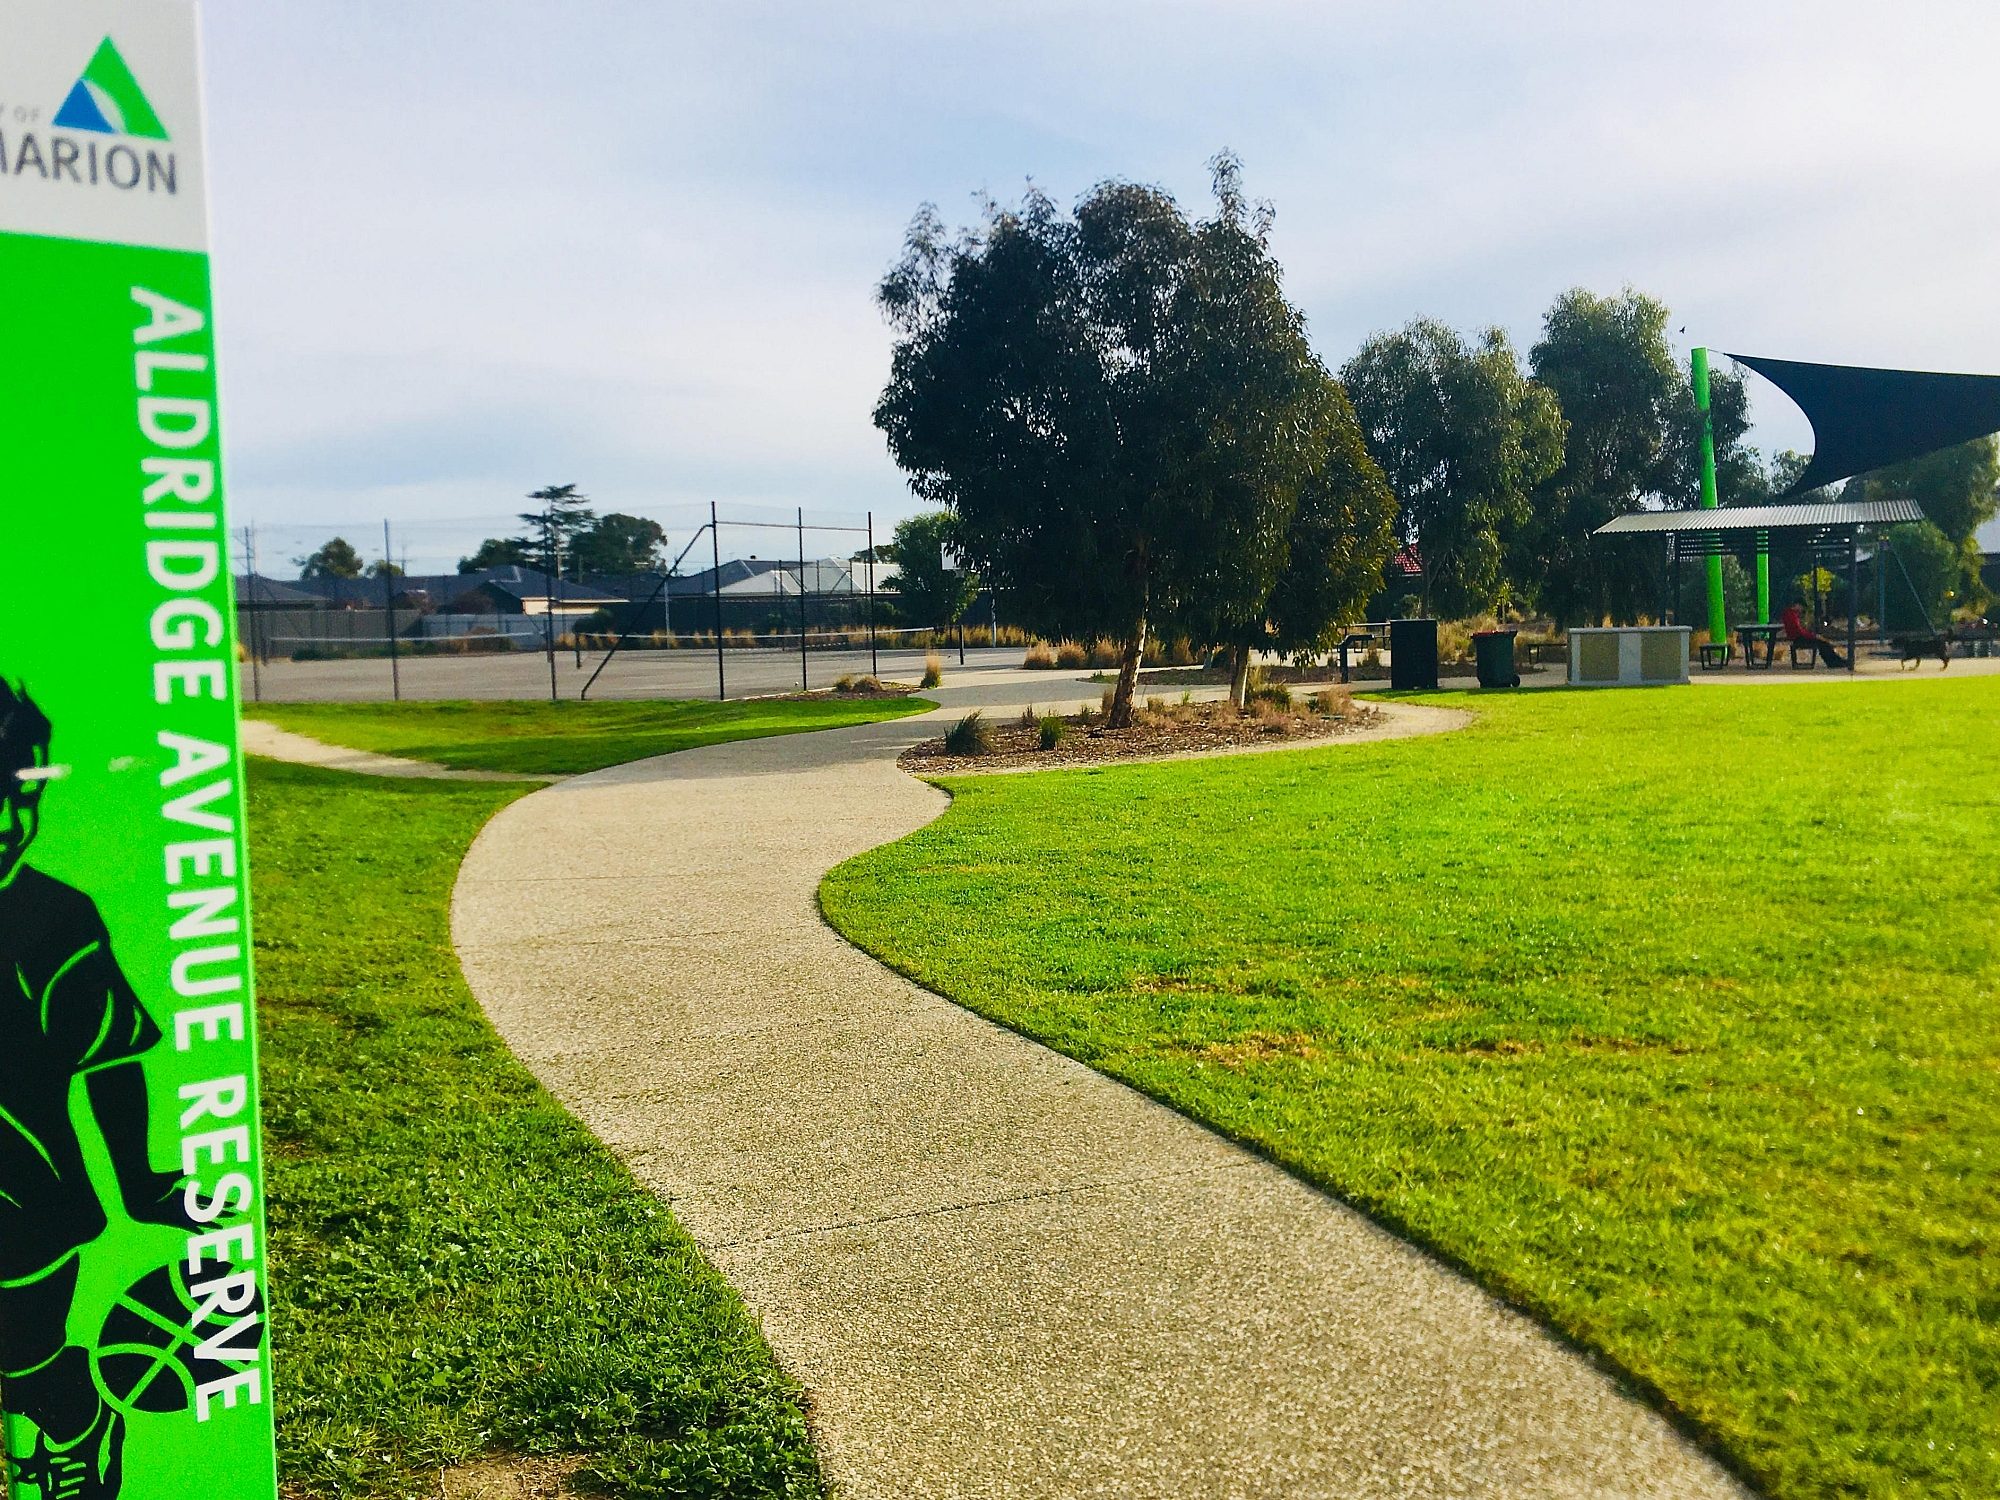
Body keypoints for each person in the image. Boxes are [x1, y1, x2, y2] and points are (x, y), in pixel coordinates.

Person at [1, 678, 190, 1499]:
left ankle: (80, 1423)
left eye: (24, 790)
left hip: (28, 1196)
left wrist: (143, 1183)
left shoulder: (51, 918)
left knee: (23, 1352)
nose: (10, 818)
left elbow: (109, 1054)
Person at [1780, 603, 1847, 669]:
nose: (1801, 610)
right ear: (1797, 605)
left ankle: (1835, 661)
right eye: (1801, 607)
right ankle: (1833, 662)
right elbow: (1799, 631)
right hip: (1798, 638)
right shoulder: (1791, 615)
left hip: (1798, 637)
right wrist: (1813, 636)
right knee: (1822, 643)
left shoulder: (1790, 614)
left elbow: (1800, 630)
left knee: (1823, 643)